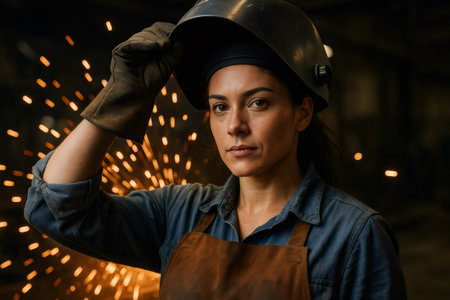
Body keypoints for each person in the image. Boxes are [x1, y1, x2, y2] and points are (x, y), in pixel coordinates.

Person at [25, 0, 407, 299]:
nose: (235, 125)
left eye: (258, 102)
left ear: (302, 113)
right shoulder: (178, 214)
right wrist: (121, 96)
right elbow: (56, 208)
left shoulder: (354, 235)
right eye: (220, 106)